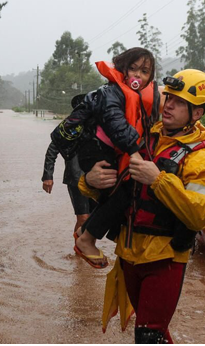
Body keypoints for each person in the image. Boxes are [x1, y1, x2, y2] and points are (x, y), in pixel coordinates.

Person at [80, 69, 205, 343]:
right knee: (151, 332)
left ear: (197, 113)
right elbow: (114, 189)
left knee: (148, 334)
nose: (168, 104)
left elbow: (202, 215)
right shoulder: (141, 136)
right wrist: (88, 181)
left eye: (178, 102)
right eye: (168, 97)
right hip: (128, 253)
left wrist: (158, 180)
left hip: (165, 259)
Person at [51, 47, 160, 268]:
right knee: (122, 194)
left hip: (106, 150)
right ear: (123, 69)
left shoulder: (144, 102)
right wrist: (135, 151)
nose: (138, 75)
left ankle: (85, 232)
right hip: (95, 150)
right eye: (133, 68)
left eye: (145, 72)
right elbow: (116, 125)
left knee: (119, 195)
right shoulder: (111, 93)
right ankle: (87, 239)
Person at [42, 95, 91, 233]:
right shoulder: (68, 128)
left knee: (93, 218)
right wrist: (48, 176)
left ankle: (84, 249)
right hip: (76, 177)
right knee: (84, 218)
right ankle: (79, 251)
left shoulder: (98, 126)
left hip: (95, 177)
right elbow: (52, 151)